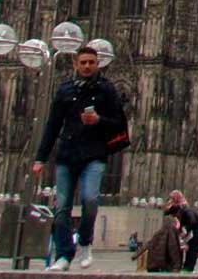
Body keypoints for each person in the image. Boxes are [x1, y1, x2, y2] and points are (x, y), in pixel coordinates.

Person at [32, 46, 129, 271]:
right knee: (62, 207)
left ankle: (85, 241)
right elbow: (53, 125)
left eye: (91, 62)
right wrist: (41, 158)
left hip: (94, 154)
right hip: (67, 154)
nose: (87, 66)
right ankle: (64, 255)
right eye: (83, 62)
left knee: (90, 200)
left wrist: (98, 120)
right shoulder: (65, 90)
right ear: (75, 64)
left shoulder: (106, 89)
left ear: (97, 64)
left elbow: (119, 123)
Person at [165, 190, 198, 272]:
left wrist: (186, 230)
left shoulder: (185, 208)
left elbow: (192, 221)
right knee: (189, 248)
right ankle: (186, 266)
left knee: (193, 248)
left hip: (197, 229)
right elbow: (168, 212)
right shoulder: (179, 207)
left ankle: (189, 267)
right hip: (194, 228)